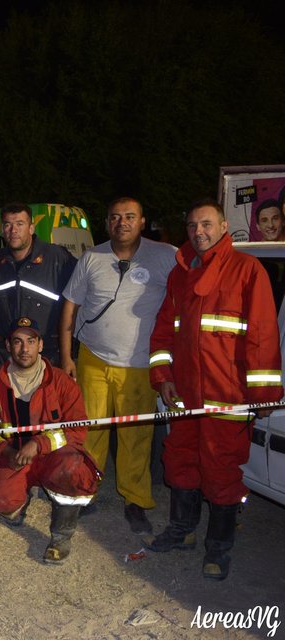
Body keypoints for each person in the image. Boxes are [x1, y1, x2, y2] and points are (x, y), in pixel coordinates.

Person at [146, 199, 282, 581]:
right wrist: (164, 376)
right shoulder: (180, 274)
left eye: (206, 224)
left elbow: (262, 335)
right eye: (191, 226)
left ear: (224, 227)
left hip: (228, 395)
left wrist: (264, 393)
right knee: (180, 461)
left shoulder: (246, 270)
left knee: (220, 471)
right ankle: (182, 530)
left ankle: (219, 549)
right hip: (186, 395)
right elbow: (163, 331)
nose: (198, 232)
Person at [57, 197, 177, 534]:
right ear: (106, 222)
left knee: (135, 436)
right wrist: (68, 357)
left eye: (129, 217)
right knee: (90, 430)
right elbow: (70, 307)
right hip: (93, 358)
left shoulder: (166, 256)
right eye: (114, 217)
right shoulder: (92, 257)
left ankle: (135, 499)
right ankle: (85, 492)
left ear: (142, 221)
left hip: (139, 364)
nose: (121, 223)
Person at [0, 317, 99, 564]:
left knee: (73, 469)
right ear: (9, 347)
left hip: (51, 458)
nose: (25, 349)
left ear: (41, 345)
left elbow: (77, 430)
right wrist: (6, 450)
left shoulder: (61, 382)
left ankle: (61, 537)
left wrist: (40, 444)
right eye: (18, 342)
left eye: (31, 342)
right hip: (15, 459)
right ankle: (23, 496)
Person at [0, 202, 76, 364]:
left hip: (50, 355)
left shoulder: (57, 258)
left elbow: (78, 299)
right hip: (9, 355)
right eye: (8, 224)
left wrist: (67, 356)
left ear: (31, 228)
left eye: (20, 224)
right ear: (2, 229)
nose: (13, 230)